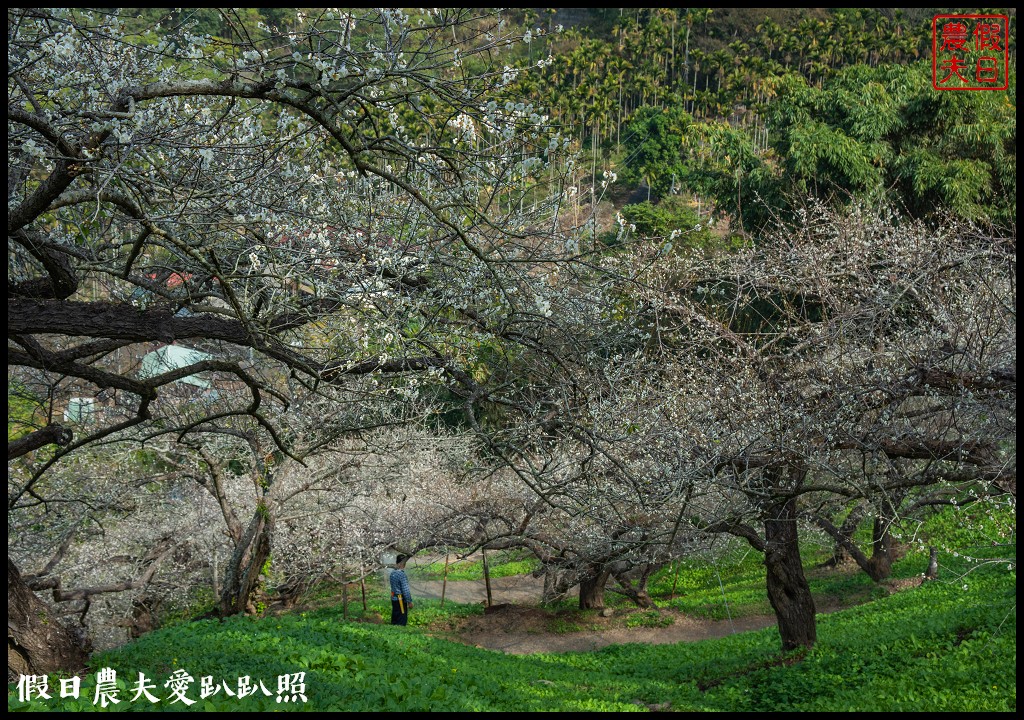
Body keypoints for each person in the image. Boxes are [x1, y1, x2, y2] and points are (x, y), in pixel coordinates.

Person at [389, 554, 413, 626]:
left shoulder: (392, 573)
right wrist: (409, 601)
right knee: (401, 618)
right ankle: (400, 633)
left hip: (394, 598)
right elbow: (405, 589)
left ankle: (393, 630)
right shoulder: (402, 575)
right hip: (400, 599)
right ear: (403, 564)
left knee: (395, 616)